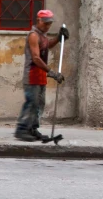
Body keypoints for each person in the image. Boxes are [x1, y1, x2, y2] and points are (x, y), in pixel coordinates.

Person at [15, 10, 69, 141]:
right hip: (32, 75)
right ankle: (22, 129)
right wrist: (52, 73)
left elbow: (47, 45)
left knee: (39, 104)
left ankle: (32, 129)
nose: (47, 26)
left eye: (49, 24)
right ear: (38, 20)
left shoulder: (42, 36)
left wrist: (58, 37)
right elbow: (36, 58)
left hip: (40, 77)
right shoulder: (33, 35)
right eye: (45, 24)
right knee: (31, 103)